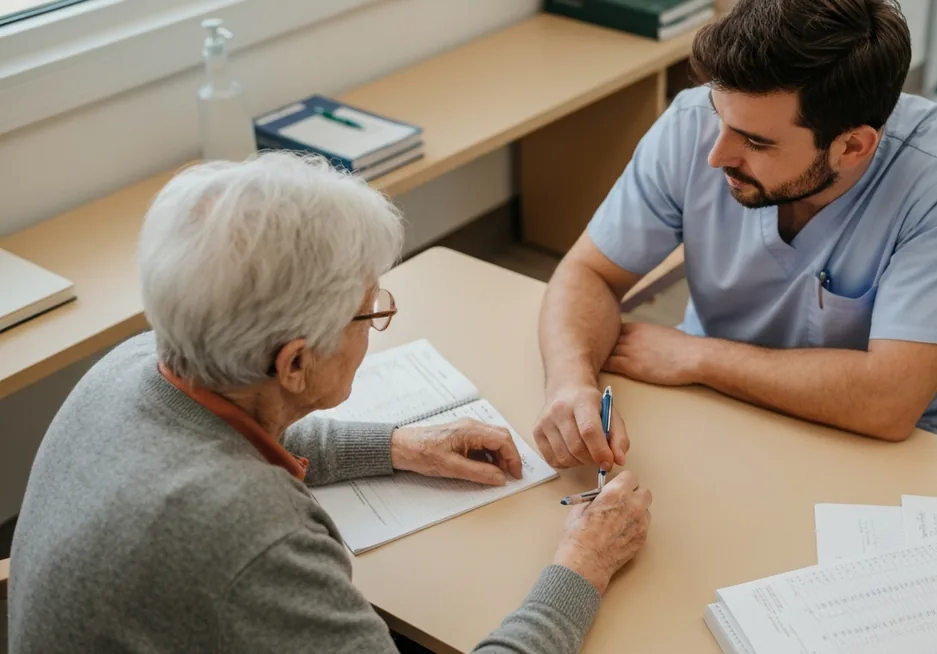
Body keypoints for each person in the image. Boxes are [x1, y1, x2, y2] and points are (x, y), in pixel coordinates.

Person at [8, 152, 652, 653]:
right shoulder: (251, 537)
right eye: (369, 312)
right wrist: (582, 565)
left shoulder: (139, 362)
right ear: (294, 364)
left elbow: (227, 435)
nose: (376, 322)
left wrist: (397, 446)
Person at [533, 0, 937, 470]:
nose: (716, 156)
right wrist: (570, 383)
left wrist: (701, 358)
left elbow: (889, 402)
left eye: (756, 142)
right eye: (719, 115)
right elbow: (590, 271)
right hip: (714, 403)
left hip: (871, 448)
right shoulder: (691, 124)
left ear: (851, 146)